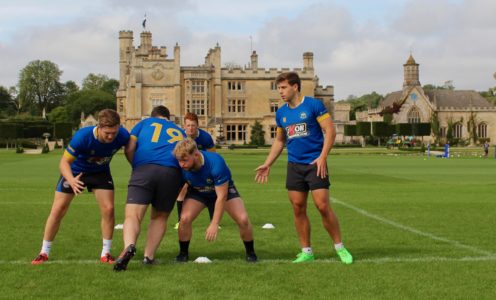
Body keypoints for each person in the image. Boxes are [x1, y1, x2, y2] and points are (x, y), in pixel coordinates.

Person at [255, 72, 353, 264]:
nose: (280, 92)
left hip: (315, 164)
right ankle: (307, 251)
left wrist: (323, 157)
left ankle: (340, 248)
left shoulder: (313, 105)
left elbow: (330, 131)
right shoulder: (281, 113)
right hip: (294, 166)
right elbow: (280, 140)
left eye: (283, 88)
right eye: (279, 88)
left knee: (323, 206)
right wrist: (268, 163)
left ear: (295, 87)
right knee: (298, 208)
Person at [32, 109, 130, 265]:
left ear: (119, 127)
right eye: (107, 133)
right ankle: (44, 252)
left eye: (114, 132)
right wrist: (71, 180)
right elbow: (64, 163)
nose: (111, 137)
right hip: (76, 172)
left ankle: (106, 253)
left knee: (109, 209)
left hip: (100, 172)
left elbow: (132, 147)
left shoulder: (123, 135)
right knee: (58, 210)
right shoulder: (82, 137)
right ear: (99, 127)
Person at [113, 105, 186, 271]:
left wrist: (136, 165)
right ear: (168, 118)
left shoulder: (143, 123)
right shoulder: (179, 130)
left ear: (153, 115)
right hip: (171, 172)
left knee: (133, 216)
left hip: (143, 170)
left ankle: (129, 247)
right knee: (159, 217)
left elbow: (130, 147)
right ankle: (149, 257)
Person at [173, 139, 257, 262]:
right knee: (184, 219)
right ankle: (183, 254)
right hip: (198, 192)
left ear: (196, 154)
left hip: (223, 191)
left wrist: (214, 223)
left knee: (243, 219)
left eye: (185, 160)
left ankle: (251, 253)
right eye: (179, 161)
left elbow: (221, 197)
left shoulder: (215, 163)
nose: (181, 164)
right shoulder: (180, 167)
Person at [175, 112, 216, 230]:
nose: (190, 128)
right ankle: (180, 221)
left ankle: (214, 222)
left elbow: (213, 155)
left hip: (202, 169)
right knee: (182, 191)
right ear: (184, 126)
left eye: (193, 125)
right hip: (186, 169)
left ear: (197, 125)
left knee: (211, 190)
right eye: (188, 125)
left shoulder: (206, 137)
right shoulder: (179, 137)